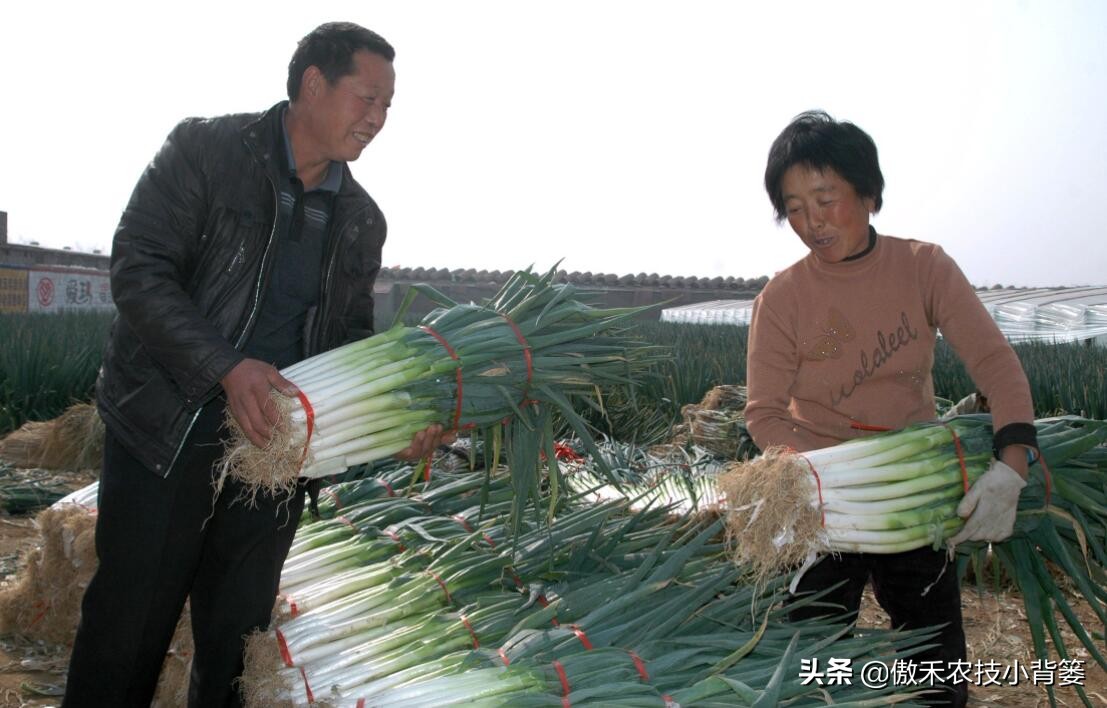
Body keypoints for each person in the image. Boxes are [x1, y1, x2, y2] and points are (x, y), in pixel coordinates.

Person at [64, 22, 449, 707]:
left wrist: (396, 429)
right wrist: (226, 366)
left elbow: (348, 342)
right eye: (367, 98)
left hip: (272, 450)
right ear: (312, 83)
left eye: (388, 106)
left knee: (235, 641)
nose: (377, 119)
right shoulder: (205, 151)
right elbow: (140, 270)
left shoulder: (361, 218)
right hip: (168, 433)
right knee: (128, 631)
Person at [745, 110, 1037, 708]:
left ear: (869, 192)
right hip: (822, 501)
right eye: (794, 207)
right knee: (811, 663)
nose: (811, 220)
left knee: (936, 671)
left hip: (913, 497)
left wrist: (1012, 465)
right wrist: (845, 478)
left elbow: (995, 363)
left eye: (825, 197)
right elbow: (765, 415)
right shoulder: (782, 297)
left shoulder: (924, 267)